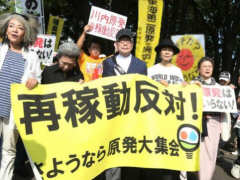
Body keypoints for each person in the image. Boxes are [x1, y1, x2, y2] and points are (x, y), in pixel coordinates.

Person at [102, 28, 147, 180]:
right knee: (113, 149)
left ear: (132, 44)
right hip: (113, 112)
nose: (125, 44)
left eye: (128, 41)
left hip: (134, 115)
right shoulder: (107, 63)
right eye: (122, 41)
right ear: (116, 44)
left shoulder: (141, 65)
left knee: (132, 148)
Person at [0, 13, 41, 179]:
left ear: (26, 33)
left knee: (9, 150)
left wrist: (34, 81)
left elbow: (37, 79)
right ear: (6, 29)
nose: (15, 30)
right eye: (11, 26)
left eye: (20, 27)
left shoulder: (32, 57)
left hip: (13, 111)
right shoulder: (0, 50)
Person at [147, 38, 184, 180]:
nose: (167, 52)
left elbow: (182, 92)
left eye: (170, 50)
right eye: (164, 49)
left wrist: (187, 86)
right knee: (154, 147)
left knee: (169, 147)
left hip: (172, 117)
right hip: (154, 115)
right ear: (159, 52)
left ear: (173, 53)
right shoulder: (151, 70)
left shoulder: (178, 71)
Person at [192, 57, 231, 180]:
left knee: (210, 154)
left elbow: (226, 108)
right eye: (204, 66)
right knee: (190, 152)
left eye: (210, 66)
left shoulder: (220, 88)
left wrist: (228, 92)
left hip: (213, 123)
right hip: (194, 123)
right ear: (199, 69)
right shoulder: (191, 84)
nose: (207, 68)